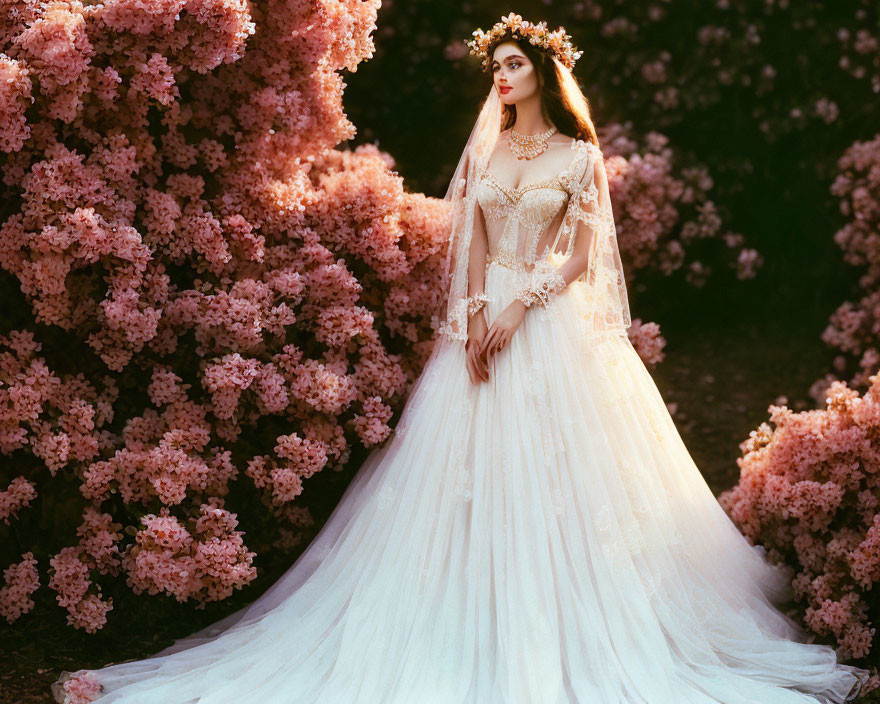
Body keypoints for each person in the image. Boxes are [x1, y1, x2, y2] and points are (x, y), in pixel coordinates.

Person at [52, 13, 871, 704]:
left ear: (546, 73)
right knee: (446, 487)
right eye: (498, 66)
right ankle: (450, 615)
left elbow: (583, 260)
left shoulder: (578, 159)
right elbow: (472, 241)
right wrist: (476, 314)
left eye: (516, 65)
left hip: (549, 325)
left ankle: (565, 625)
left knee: (566, 487)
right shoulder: (488, 154)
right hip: (477, 328)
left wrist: (520, 306)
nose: (504, 77)